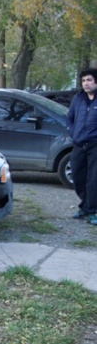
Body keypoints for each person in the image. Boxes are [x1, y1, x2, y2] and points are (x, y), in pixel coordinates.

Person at [66, 67, 97, 226]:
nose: (86, 83)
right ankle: (85, 206)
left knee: (93, 180)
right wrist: (73, 132)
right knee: (77, 177)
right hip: (78, 144)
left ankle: (92, 210)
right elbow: (69, 118)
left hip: (94, 145)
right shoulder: (78, 98)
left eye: (89, 80)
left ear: (96, 82)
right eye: (84, 80)